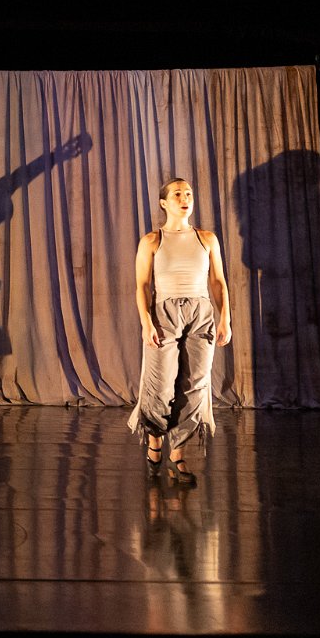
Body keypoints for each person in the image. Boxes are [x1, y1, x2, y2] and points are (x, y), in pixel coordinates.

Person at [127, 178, 232, 486]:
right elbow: (142, 285)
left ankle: (178, 453)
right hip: (165, 313)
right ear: (164, 203)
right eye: (177, 194)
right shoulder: (152, 240)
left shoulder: (207, 238)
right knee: (160, 385)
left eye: (188, 193)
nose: (185, 198)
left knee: (195, 385)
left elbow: (218, 282)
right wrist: (146, 322)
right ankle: (155, 440)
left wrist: (225, 318)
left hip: (201, 313)